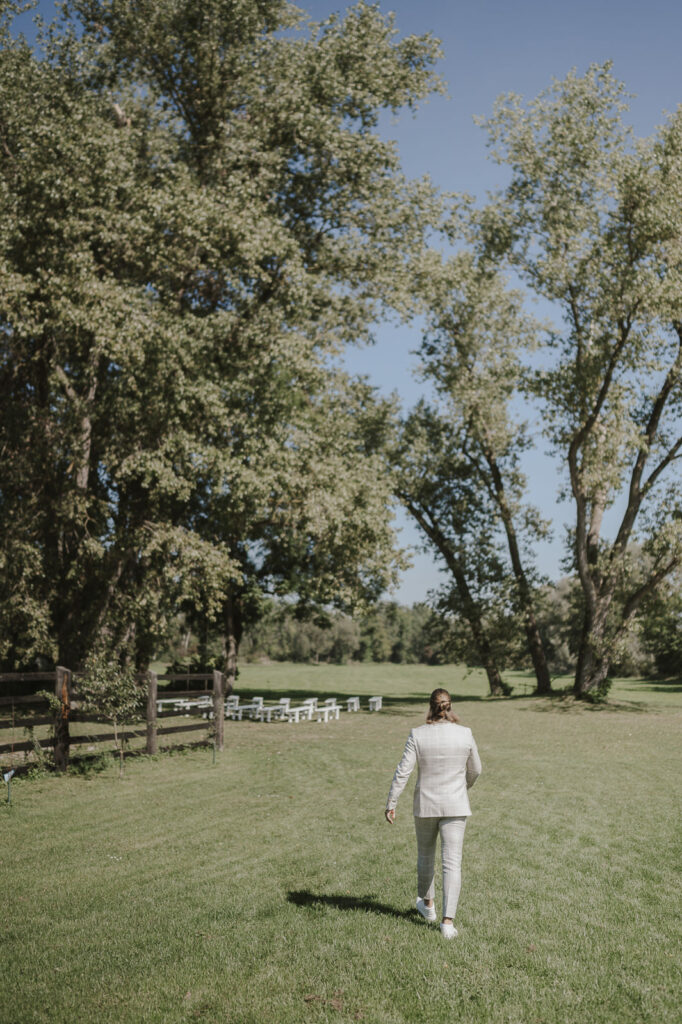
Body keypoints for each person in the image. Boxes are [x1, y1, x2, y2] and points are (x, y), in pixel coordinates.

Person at [385, 688, 481, 939]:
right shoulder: (465, 733)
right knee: (452, 862)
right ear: (449, 707)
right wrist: (464, 786)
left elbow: (403, 771)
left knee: (425, 856)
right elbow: (476, 769)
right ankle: (447, 923)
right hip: (456, 804)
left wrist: (392, 801)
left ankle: (428, 906)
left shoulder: (417, 734)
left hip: (426, 805)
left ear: (430, 707)